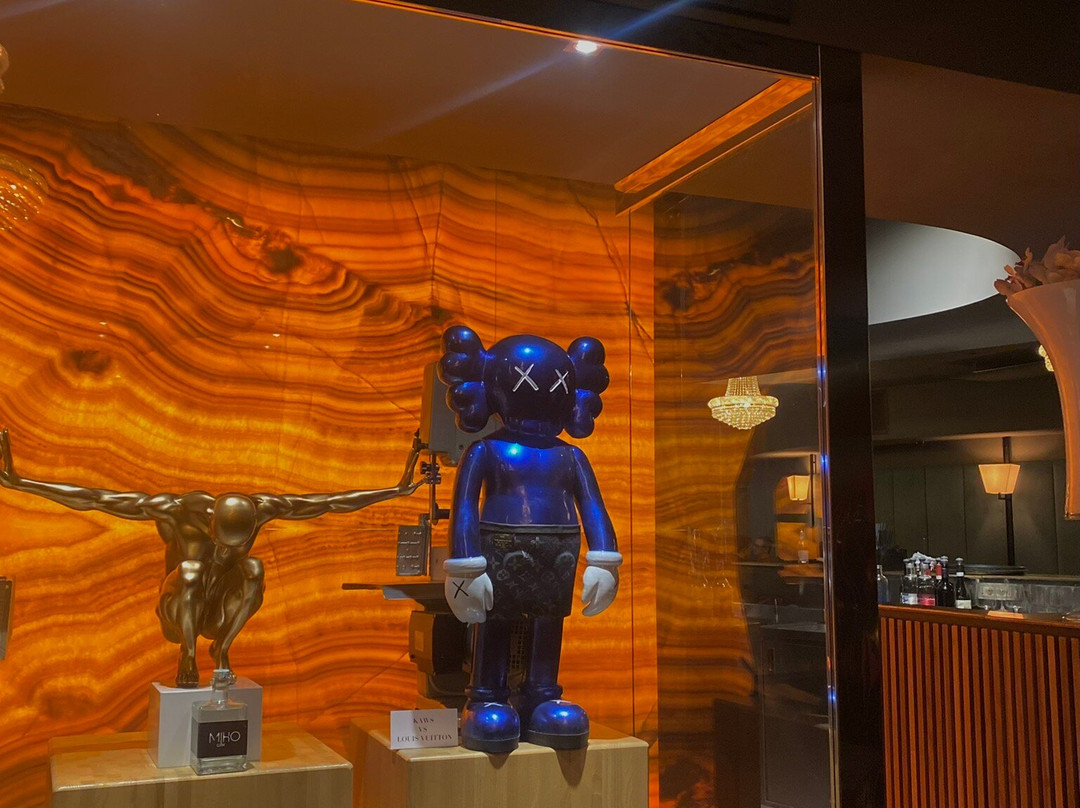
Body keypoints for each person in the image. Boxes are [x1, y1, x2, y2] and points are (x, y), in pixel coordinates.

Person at [0, 428, 426, 687]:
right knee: (190, 569)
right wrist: (19, 482)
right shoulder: (175, 510)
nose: (224, 553)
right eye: (220, 544)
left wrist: (396, 489)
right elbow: (96, 499)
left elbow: (330, 503)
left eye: (232, 547)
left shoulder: (263, 508)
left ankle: (222, 648)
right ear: (209, 525)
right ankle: (189, 655)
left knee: (254, 568)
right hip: (177, 612)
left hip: (219, 609)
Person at [438, 326, 620, 753]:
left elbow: (592, 505)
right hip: (504, 548)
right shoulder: (487, 452)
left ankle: (541, 693)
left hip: (556, 552)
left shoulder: (567, 455)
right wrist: (465, 566)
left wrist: (604, 559)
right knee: (496, 620)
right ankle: (487, 695)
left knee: (548, 622)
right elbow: (464, 506)